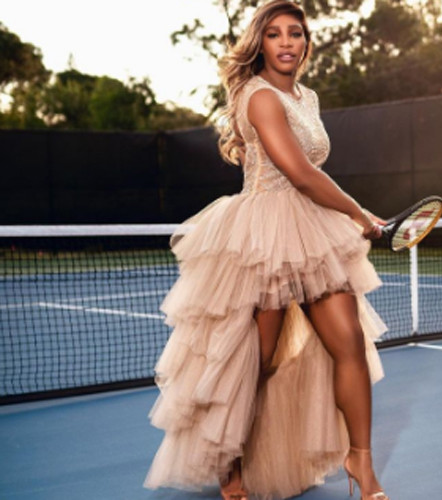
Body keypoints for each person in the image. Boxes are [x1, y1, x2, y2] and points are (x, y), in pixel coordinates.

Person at [144, 1, 389, 499]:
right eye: (274, 34)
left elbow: (311, 174)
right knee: (255, 361)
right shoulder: (256, 96)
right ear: (260, 44)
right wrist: (358, 214)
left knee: (350, 344)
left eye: (295, 33)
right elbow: (299, 172)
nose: (286, 42)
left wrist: (347, 213)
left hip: (311, 229)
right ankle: (229, 465)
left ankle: (361, 463)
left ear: (306, 43)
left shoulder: (307, 97)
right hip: (260, 235)